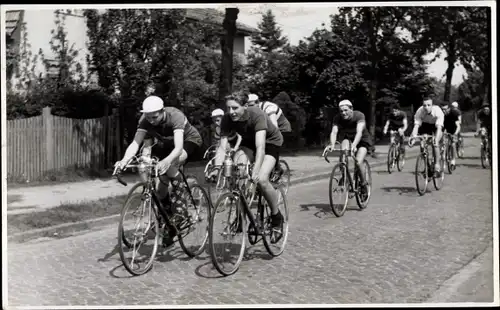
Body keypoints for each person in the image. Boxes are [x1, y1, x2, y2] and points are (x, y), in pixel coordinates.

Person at [115, 95, 203, 246]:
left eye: (154, 117)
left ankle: (181, 212)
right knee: (161, 188)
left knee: (171, 165)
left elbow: (178, 148)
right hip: (166, 145)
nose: (151, 120)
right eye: (148, 117)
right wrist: (124, 160)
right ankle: (169, 222)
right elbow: (136, 143)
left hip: (188, 141)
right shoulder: (145, 120)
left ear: (162, 111)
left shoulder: (175, 116)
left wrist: (167, 161)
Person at [207, 91, 285, 231]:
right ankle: (240, 215)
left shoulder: (257, 115)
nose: (231, 112)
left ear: (245, 106)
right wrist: (216, 168)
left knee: (261, 179)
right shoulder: (226, 119)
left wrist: (256, 171)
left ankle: (276, 216)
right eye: (229, 108)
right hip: (249, 143)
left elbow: (260, 147)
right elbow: (222, 147)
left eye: (235, 108)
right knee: (239, 173)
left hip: (270, 142)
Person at [326, 99, 372, 191]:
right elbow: (334, 132)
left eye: (346, 110)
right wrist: (332, 144)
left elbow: (359, 132)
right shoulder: (337, 118)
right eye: (341, 111)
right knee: (343, 156)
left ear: (351, 109)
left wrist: (354, 145)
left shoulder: (359, 115)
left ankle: (363, 185)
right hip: (348, 138)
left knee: (358, 162)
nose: (343, 113)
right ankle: (344, 176)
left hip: (362, 140)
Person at [409, 97, 445, 176]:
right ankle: (427, 166)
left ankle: (437, 164)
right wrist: (413, 137)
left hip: (436, 126)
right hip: (425, 125)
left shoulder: (438, 111)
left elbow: (439, 128)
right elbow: (416, 126)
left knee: (435, 143)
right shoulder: (419, 111)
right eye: (424, 105)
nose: (426, 107)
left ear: (432, 105)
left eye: (429, 105)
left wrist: (436, 138)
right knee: (422, 144)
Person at [441, 102, 462, 168]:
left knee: (453, 144)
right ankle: (443, 160)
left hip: (454, 130)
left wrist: (455, 134)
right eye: (442, 109)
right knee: (442, 144)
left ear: (449, 109)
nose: (444, 111)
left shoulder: (454, 113)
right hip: (446, 129)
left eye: (445, 109)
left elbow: (458, 126)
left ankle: (453, 160)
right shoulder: (441, 115)